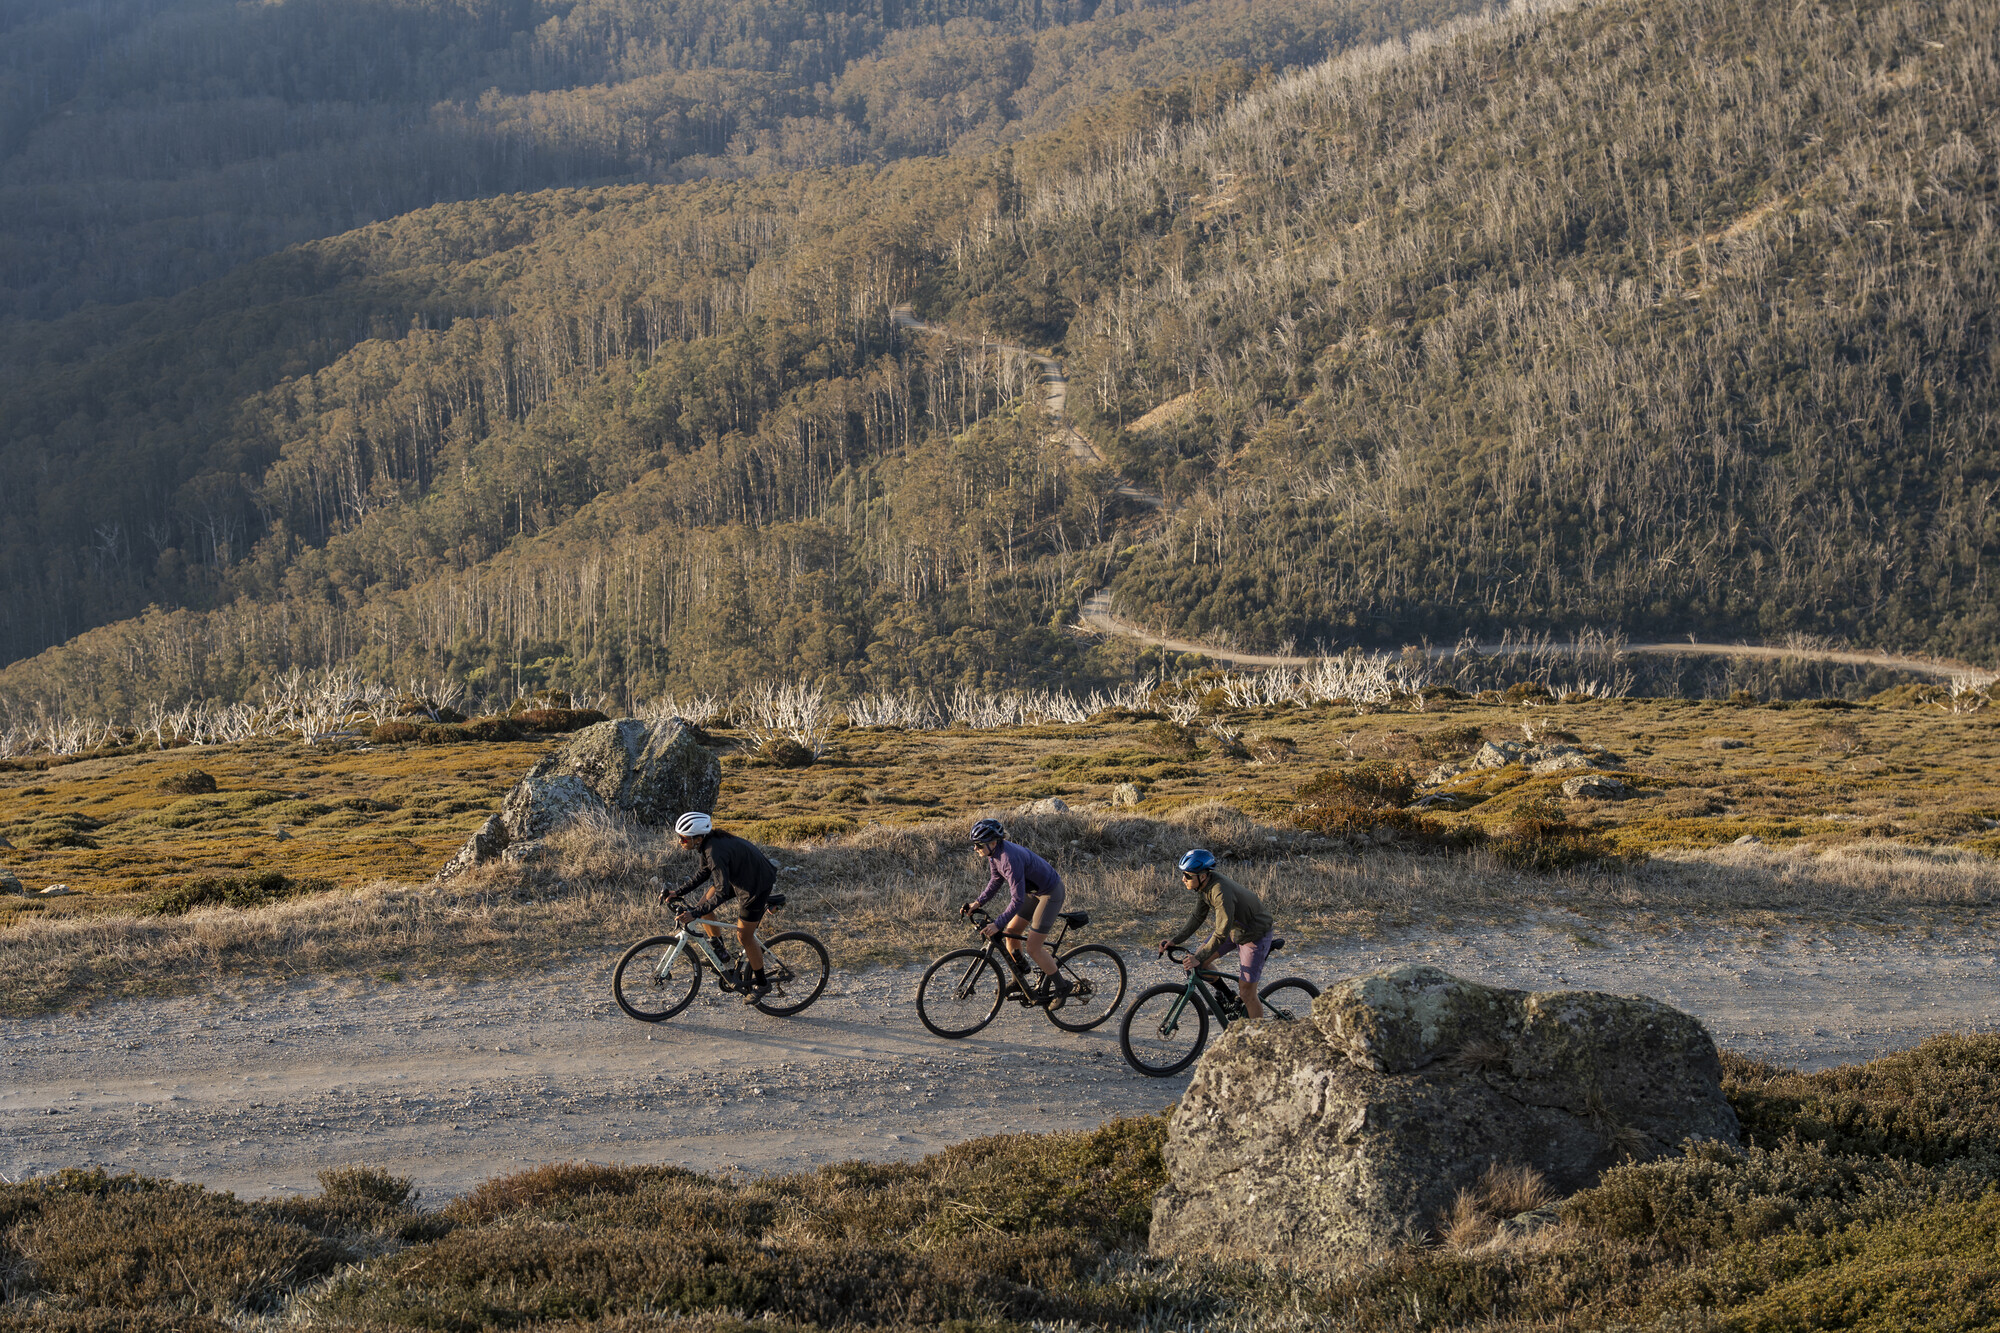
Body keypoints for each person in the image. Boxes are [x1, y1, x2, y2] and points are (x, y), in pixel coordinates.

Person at [660, 811, 778, 1004]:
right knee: (704, 907)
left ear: (697, 838)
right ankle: (720, 952)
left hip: (755, 885)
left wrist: (693, 914)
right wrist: (678, 893)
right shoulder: (706, 845)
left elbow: (722, 892)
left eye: (683, 838)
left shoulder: (715, 850)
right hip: (739, 876)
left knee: (744, 936)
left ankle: (763, 984)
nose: (680, 842)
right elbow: (704, 873)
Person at [960, 818, 1075, 1005]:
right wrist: (978, 903)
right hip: (1034, 892)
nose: (975, 849)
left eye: (978, 845)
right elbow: (996, 881)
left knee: (1033, 947)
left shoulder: (1008, 859)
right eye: (974, 845)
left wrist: (998, 924)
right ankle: (1019, 980)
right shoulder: (994, 854)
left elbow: (1017, 899)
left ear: (992, 842)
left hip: (1050, 893)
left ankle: (1062, 986)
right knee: (1012, 933)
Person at [1159, 848, 1275, 1019]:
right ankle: (1228, 998)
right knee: (1200, 964)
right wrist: (1175, 940)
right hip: (1234, 929)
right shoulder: (1204, 887)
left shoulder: (1220, 891)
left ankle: (1258, 1038)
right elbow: (1197, 916)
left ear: (1203, 876)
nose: (1184, 879)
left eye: (1188, 876)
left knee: (1247, 993)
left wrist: (1199, 956)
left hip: (1254, 934)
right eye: (1183, 874)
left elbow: (1221, 932)